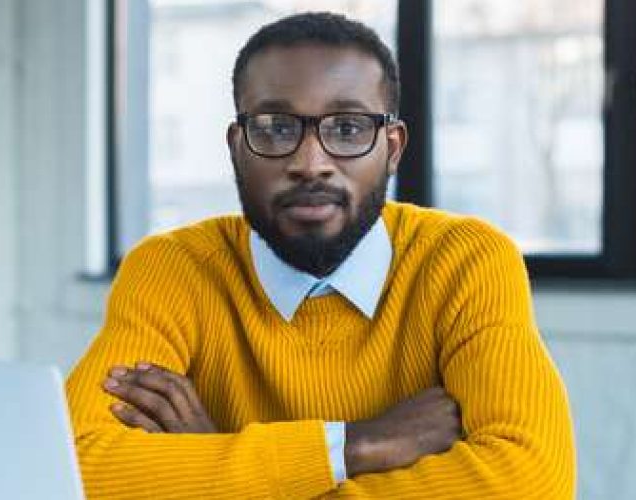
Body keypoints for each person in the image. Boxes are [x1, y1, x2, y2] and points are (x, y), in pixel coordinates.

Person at [66, 12, 575, 498]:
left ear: (393, 147)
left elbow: (530, 481)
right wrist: (354, 444)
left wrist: (213, 466)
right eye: (276, 128)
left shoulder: (465, 261)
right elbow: (74, 468)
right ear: (236, 145)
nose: (311, 164)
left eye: (348, 129)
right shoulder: (172, 268)